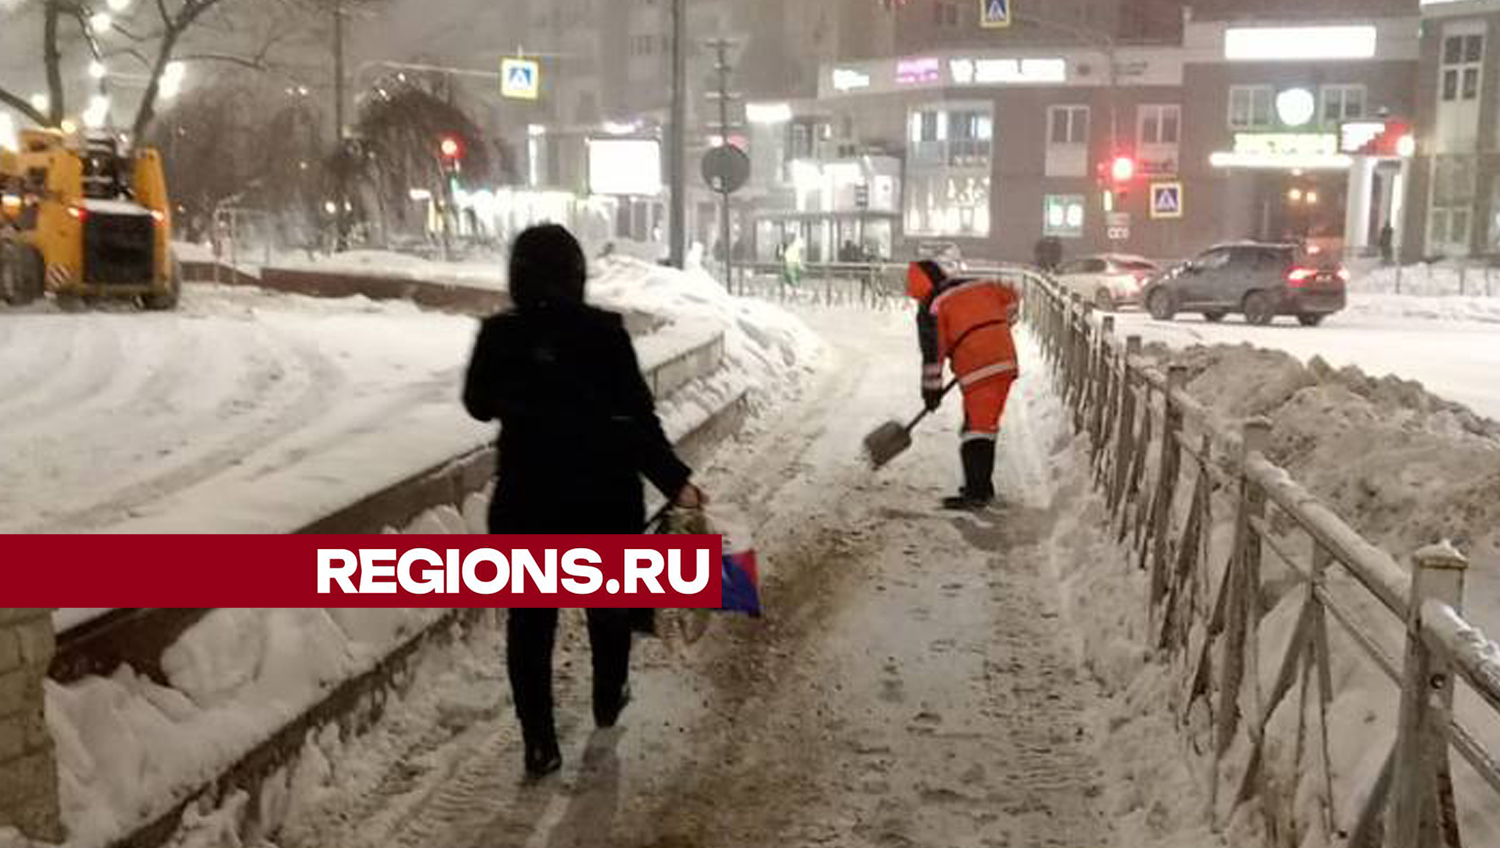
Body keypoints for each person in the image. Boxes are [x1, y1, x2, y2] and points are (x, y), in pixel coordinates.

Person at [463, 224, 706, 780]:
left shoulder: (500, 335)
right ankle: (608, 692)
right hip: (601, 500)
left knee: (529, 628)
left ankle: (539, 743)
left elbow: (477, 404)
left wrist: (523, 387)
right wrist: (676, 483)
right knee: (609, 609)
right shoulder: (604, 333)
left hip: (526, 503)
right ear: (577, 274)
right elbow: (638, 421)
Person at [907, 259, 1021, 511]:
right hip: (1005, 360)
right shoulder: (974, 284)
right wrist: (997, 325)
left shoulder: (932, 307)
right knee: (982, 425)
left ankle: (976, 494)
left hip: (979, 368)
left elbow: (933, 357)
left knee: (977, 430)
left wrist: (931, 393)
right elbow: (1012, 297)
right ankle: (981, 487)